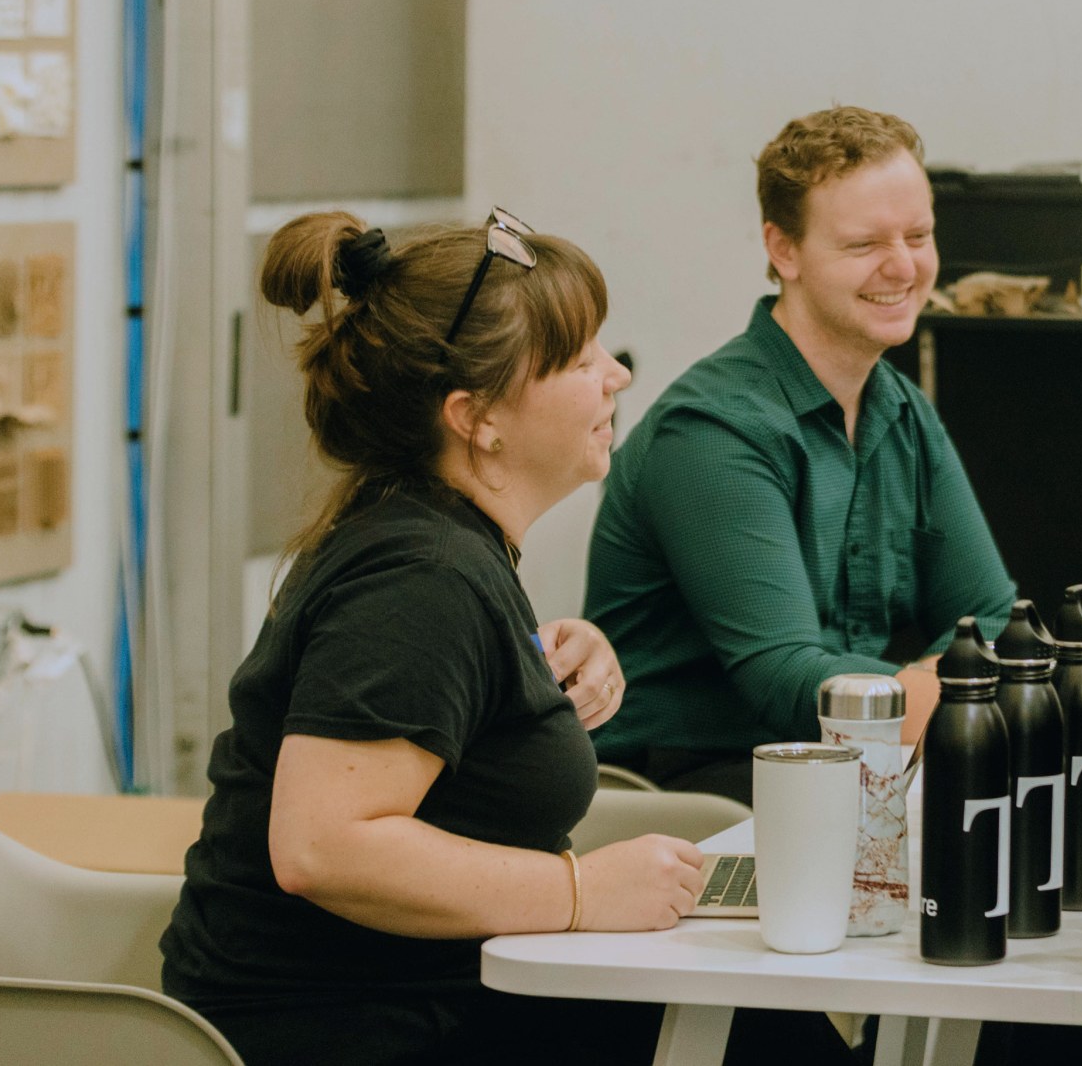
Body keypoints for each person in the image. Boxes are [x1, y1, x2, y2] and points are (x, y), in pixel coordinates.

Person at [160, 210, 851, 1066]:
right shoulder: (424, 578)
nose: (618, 377)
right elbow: (321, 847)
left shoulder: (439, 548)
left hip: (431, 1000)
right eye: (579, 360)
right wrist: (580, 891)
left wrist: (535, 664)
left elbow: (431, 707)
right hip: (355, 1028)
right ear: (477, 418)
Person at [586, 106, 1016, 799]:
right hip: (687, 785)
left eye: (919, 234)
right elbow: (785, 676)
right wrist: (964, 694)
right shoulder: (711, 431)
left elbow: (992, 619)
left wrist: (962, 684)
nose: (903, 265)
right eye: (864, 244)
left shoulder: (900, 409)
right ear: (783, 250)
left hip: (837, 764)